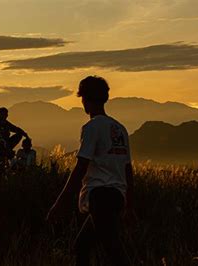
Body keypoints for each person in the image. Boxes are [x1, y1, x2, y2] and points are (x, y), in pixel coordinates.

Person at [46, 76, 135, 266]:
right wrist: (130, 201)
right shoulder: (120, 129)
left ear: (85, 99)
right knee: (82, 246)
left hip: (100, 197)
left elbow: (80, 168)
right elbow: (128, 168)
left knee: (114, 251)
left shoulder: (91, 127)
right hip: (117, 196)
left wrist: (59, 203)